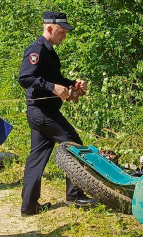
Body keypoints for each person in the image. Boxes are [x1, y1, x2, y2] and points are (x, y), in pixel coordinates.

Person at [18, 11, 94, 215]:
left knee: (38, 156)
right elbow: (24, 78)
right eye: (62, 32)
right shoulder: (37, 49)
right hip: (42, 112)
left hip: (41, 112)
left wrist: (72, 85)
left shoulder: (49, 51)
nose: (64, 36)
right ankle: (75, 196)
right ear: (49, 28)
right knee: (74, 145)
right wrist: (52, 87)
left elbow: (54, 78)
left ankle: (29, 206)